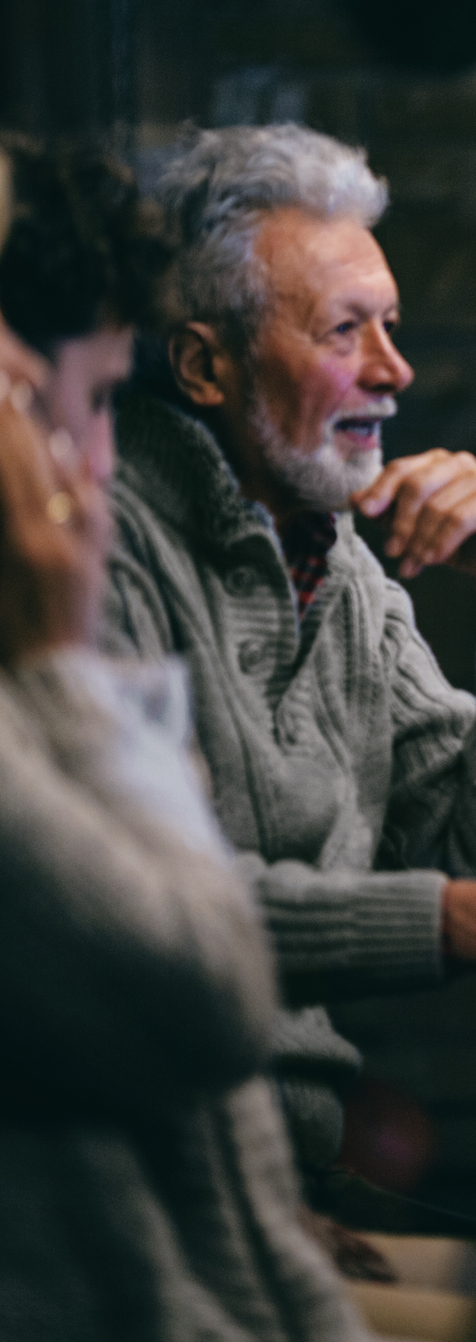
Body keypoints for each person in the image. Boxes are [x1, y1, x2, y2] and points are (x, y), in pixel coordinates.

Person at [101, 123, 476, 1179]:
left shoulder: (334, 558)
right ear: (205, 365)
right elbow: (150, 908)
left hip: (282, 1154)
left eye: (390, 326)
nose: (394, 371)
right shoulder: (99, 552)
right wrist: (474, 920)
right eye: (343, 332)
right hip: (157, 1172)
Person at [0, 140, 369, 1341]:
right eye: (94, 399)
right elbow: (210, 995)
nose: (99, 459)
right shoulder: (50, 651)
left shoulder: (337, 553)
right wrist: (65, 662)